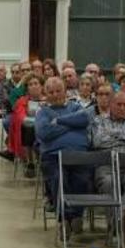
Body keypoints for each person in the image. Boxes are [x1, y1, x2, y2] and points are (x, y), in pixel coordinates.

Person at [36, 77, 91, 236]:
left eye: (58, 90)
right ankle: (65, 218)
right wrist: (71, 125)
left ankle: (77, 215)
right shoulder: (43, 112)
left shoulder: (75, 107)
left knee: (83, 180)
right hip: (54, 157)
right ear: (45, 94)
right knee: (58, 179)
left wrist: (58, 121)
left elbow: (84, 119)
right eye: (51, 92)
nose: (55, 94)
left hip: (79, 155)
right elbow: (44, 133)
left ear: (65, 91)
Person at [89, 91, 125, 199]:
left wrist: (114, 133)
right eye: (118, 104)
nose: (122, 108)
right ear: (111, 104)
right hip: (107, 166)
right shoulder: (99, 120)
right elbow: (98, 141)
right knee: (108, 182)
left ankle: (124, 214)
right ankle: (116, 216)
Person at [2, 73, 46, 168]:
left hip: (45, 130)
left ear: (42, 86)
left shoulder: (48, 101)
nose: (33, 86)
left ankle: (36, 160)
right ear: (27, 88)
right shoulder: (22, 101)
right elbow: (20, 117)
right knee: (28, 129)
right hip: (28, 130)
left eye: (36, 83)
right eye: (30, 84)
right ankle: (30, 161)